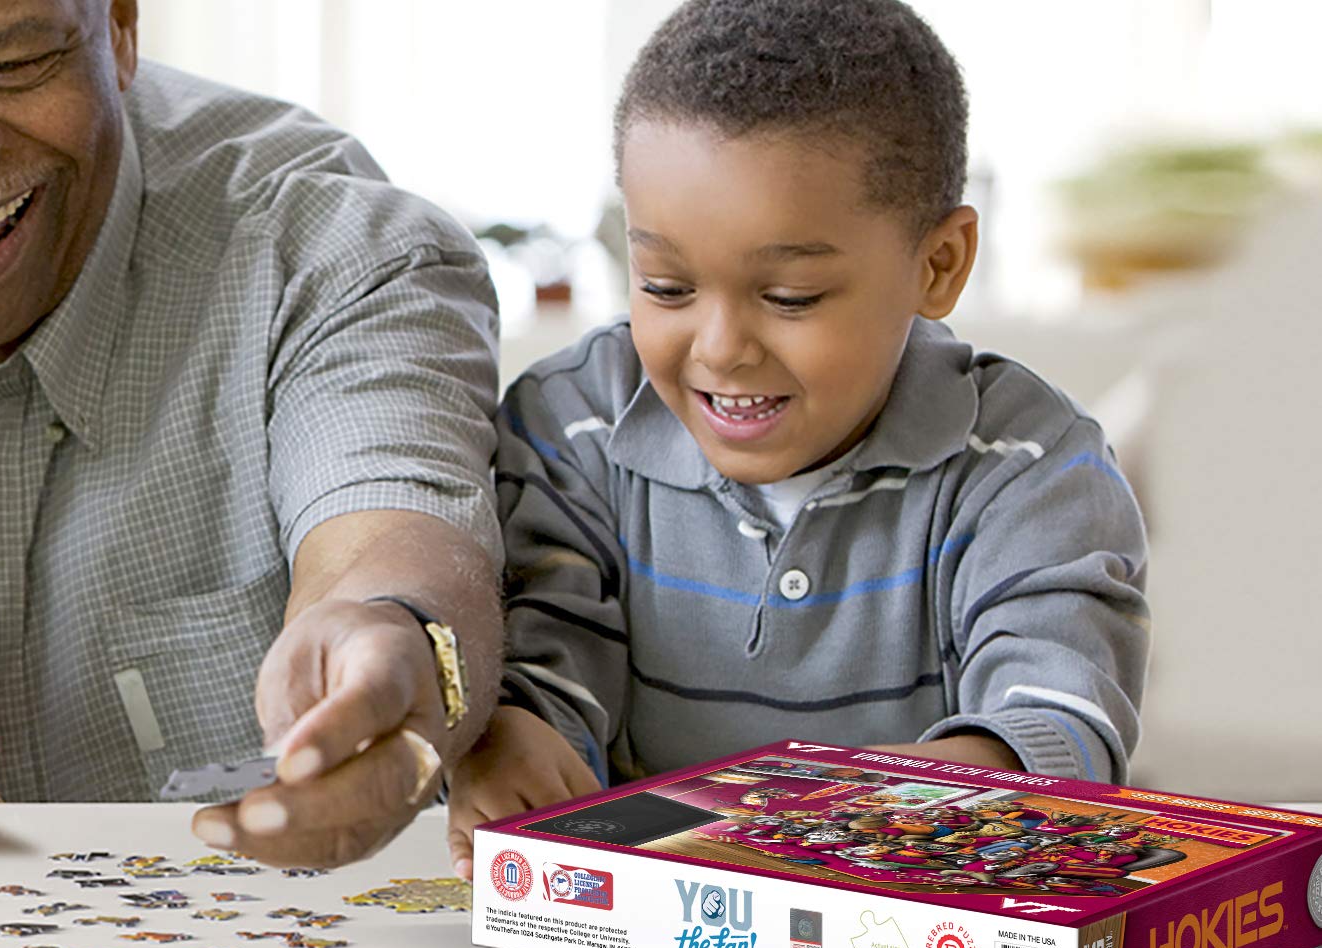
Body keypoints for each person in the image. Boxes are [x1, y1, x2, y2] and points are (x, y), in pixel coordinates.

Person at [0, 0, 505, 869]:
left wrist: (398, 642)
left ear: (118, 23)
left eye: (13, 67)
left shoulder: (324, 244)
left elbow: (391, 535)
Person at [449, 0, 1150, 877]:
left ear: (938, 265)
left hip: (910, 918)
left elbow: (1055, 710)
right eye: (666, 286)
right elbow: (550, 645)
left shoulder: (1029, 464)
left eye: (789, 298)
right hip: (635, 926)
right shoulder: (571, 424)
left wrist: (919, 801)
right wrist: (514, 733)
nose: (719, 348)